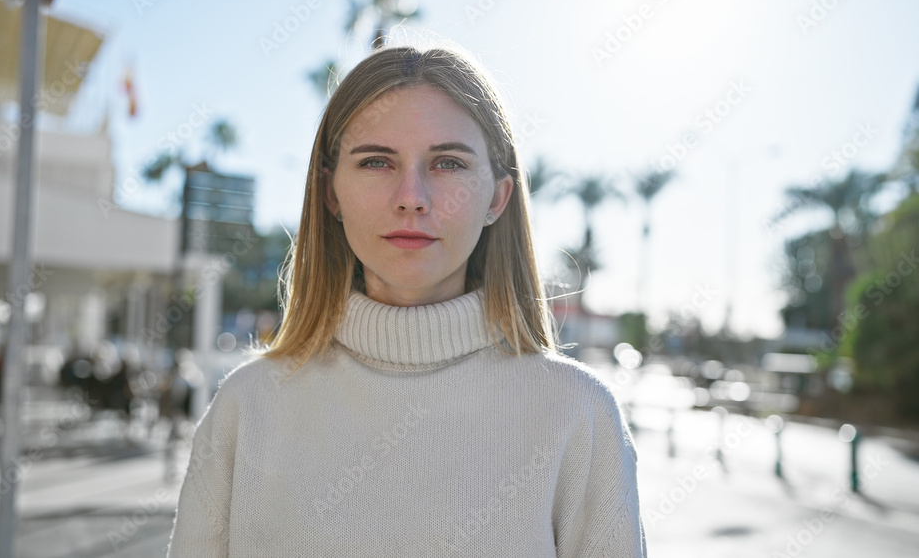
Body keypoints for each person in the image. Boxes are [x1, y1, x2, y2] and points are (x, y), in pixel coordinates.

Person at [166, 41, 647, 557]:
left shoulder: (580, 415)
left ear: (497, 198)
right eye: (376, 161)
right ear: (331, 193)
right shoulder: (247, 406)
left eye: (447, 163)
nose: (411, 196)